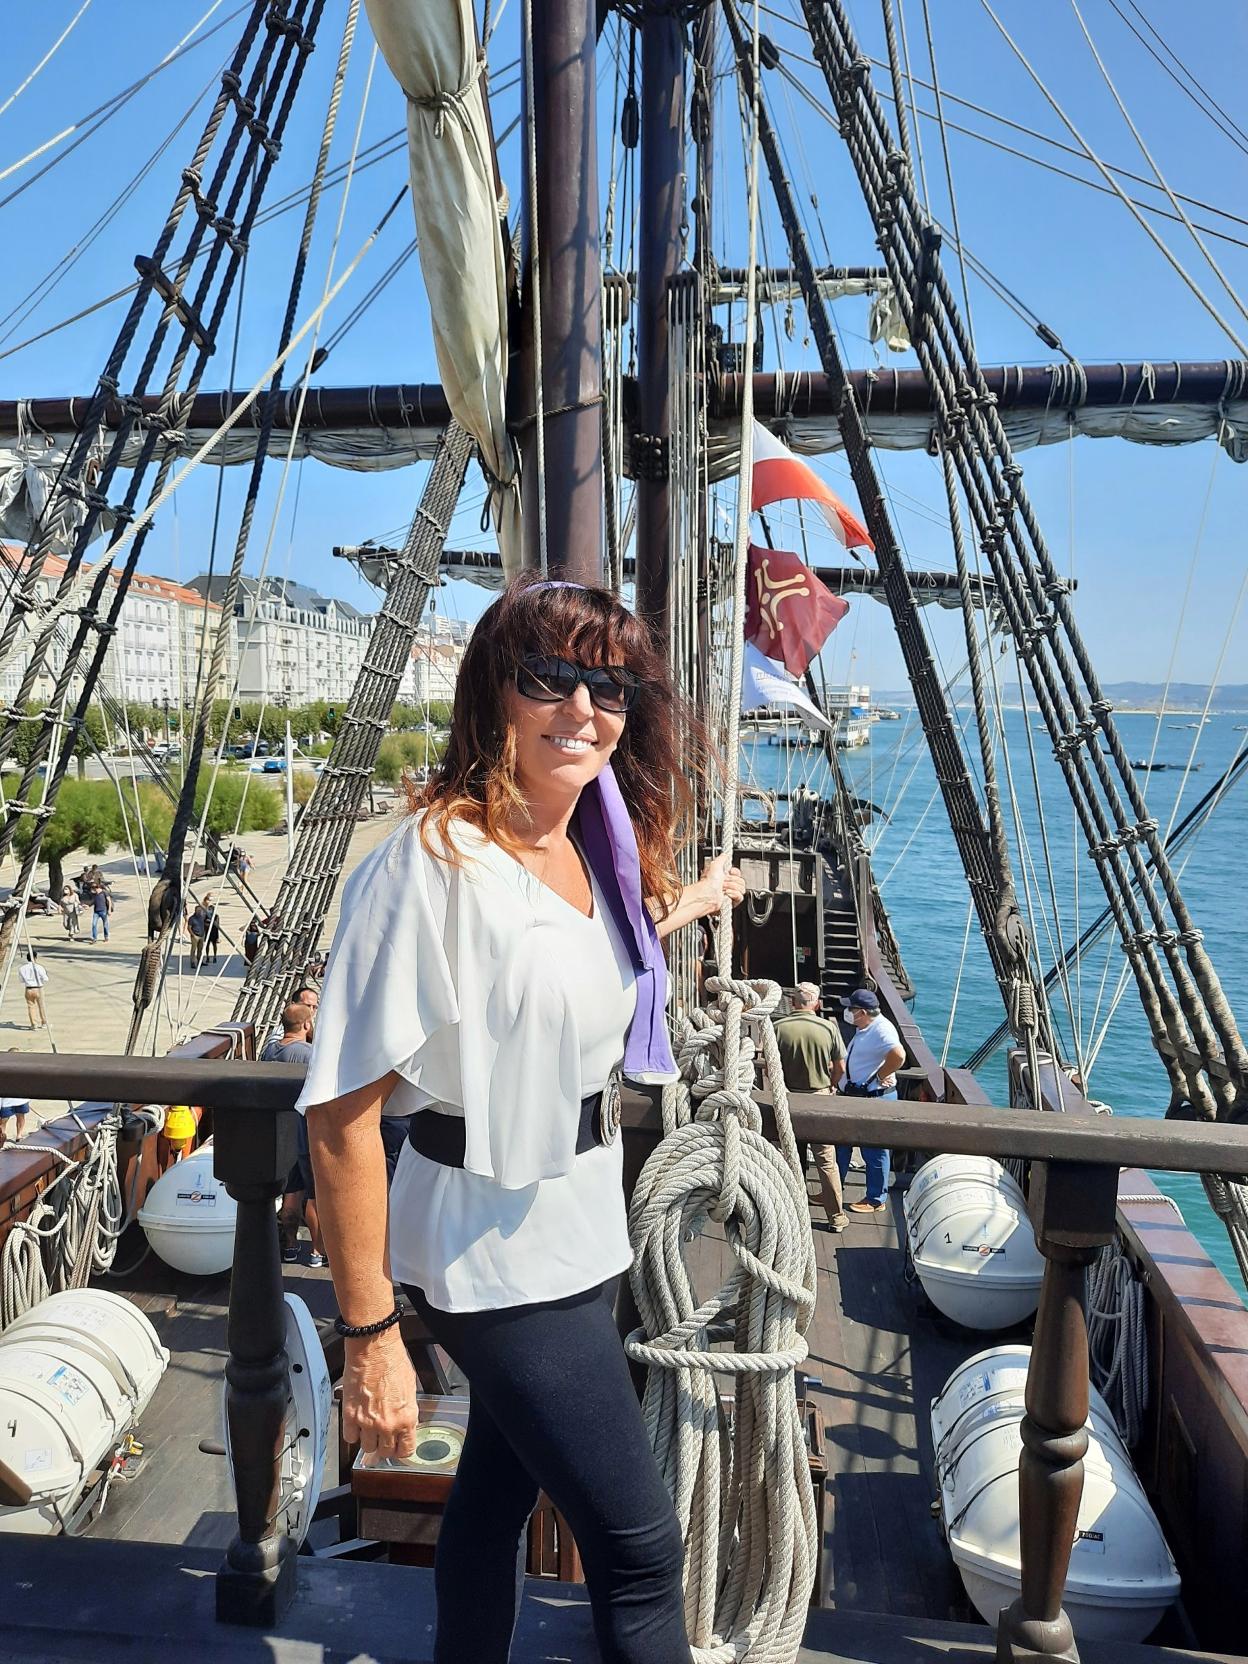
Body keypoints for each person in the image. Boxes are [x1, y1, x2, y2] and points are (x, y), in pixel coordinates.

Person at [299, 575, 744, 1664]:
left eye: (610, 685)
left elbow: (600, 947)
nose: (583, 708)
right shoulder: (427, 865)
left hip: (583, 1227)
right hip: (493, 1257)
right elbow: (342, 1119)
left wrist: (695, 899)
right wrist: (372, 1341)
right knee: (639, 1549)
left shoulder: (587, 847)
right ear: (495, 689)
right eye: (552, 677)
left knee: (492, 1506)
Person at [774, 982, 848, 1232]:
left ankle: (788, 1213)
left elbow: (770, 1066)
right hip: (819, 1100)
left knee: (788, 1159)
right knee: (826, 1162)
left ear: (793, 1002)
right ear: (816, 1004)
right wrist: (831, 1085)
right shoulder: (828, 1028)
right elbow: (840, 1067)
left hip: (788, 1100)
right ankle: (836, 1217)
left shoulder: (778, 1028)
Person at [264, 1002, 327, 1268]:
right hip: (305, 1133)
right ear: (306, 1025)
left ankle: (289, 1246)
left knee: (291, 1195)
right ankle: (316, 1251)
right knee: (313, 1195)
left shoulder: (269, 1051)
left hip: (279, 1134)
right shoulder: (310, 1054)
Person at [836, 988, 906, 1214]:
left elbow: (898, 1055)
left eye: (851, 1009)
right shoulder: (865, 1027)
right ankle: (833, 1190)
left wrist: (880, 1075)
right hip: (856, 1096)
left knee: (874, 1150)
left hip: (874, 1099)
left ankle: (876, 1199)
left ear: (862, 1012)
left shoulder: (882, 1029)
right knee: (841, 1145)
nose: (848, 1012)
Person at [0, 1052, 30, 1145]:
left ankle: (19, 1136)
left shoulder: (25, 1069)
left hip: (21, 1099)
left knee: (20, 1117)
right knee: (3, 1121)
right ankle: (1, 1138)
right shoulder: (3, 1070)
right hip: (6, 1101)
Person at [19, 950, 48, 1029]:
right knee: (41, 1006)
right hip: (38, 988)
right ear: (35, 958)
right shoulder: (39, 967)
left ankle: (34, 1024)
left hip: (28, 989)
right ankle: (44, 1023)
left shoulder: (22, 968)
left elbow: (21, 980)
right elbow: (46, 979)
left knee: (31, 1006)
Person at [187, 900, 208, 966]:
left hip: (201, 936)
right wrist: (193, 935)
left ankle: (200, 961)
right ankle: (192, 962)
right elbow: (189, 927)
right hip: (195, 936)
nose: (199, 912)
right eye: (198, 910)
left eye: (200, 910)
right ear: (195, 911)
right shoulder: (192, 918)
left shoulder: (202, 917)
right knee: (193, 949)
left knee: (200, 949)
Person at [204, 894, 221, 965]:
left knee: (214, 944)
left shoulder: (216, 916)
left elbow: (217, 924)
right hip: (207, 931)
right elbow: (204, 922)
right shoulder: (205, 915)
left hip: (214, 931)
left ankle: (214, 956)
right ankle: (207, 956)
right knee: (207, 945)